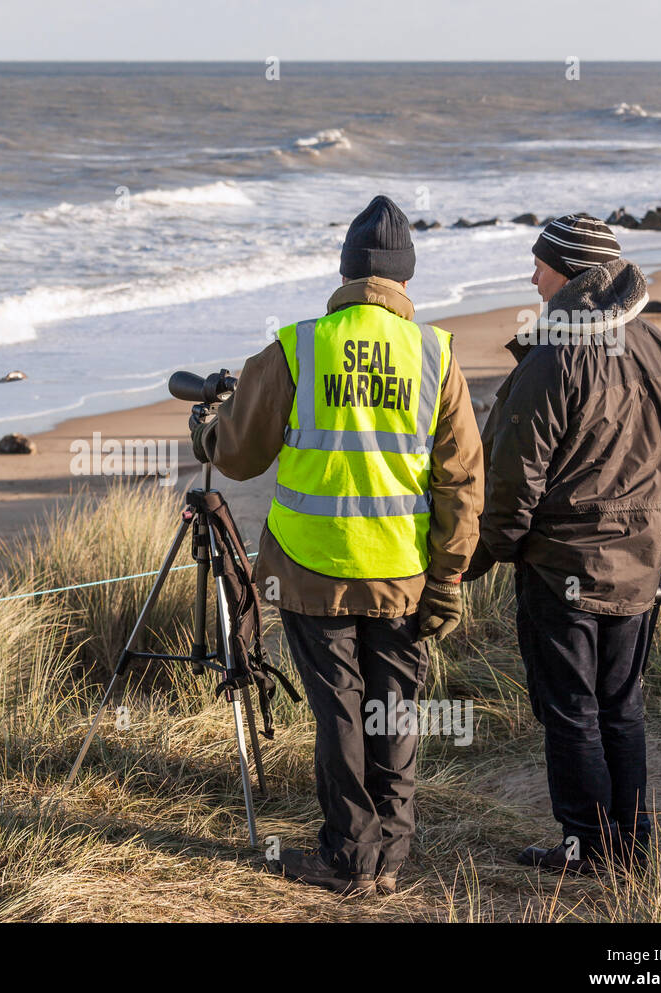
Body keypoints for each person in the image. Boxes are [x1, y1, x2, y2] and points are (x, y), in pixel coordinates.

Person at [190, 195, 484, 895]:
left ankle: (346, 855)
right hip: (404, 575)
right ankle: (389, 855)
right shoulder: (436, 354)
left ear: (347, 271)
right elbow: (464, 481)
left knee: (341, 712)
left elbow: (235, 452)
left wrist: (206, 426)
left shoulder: (300, 344)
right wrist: (447, 578)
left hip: (312, 570)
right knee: (394, 708)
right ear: (404, 280)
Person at [463, 213, 661, 873]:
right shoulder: (659, 348)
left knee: (572, 708)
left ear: (570, 273)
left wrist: (480, 556)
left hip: (564, 564)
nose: (532, 276)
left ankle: (588, 847)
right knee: (621, 704)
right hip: (639, 564)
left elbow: (514, 480)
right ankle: (633, 840)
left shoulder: (554, 354)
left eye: (541, 264)